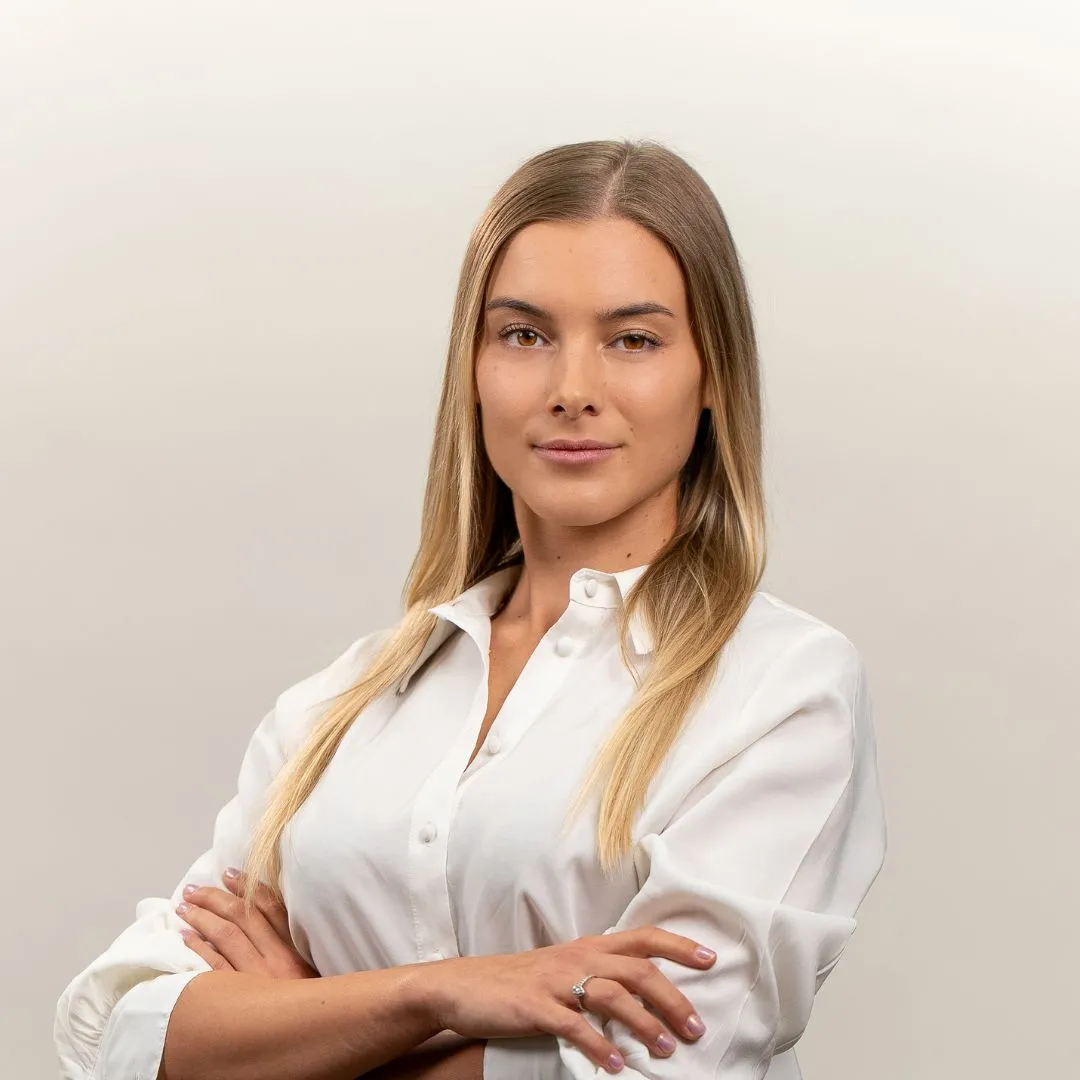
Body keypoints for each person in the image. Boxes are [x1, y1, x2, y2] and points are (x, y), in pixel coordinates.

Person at [54, 138, 886, 1080]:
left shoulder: (781, 688)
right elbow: (125, 1035)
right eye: (524, 335)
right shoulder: (342, 709)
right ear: (474, 369)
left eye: (634, 339)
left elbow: (650, 1065)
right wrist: (440, 994)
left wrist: (303, 1028)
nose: (573, 391)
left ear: (714, 381)